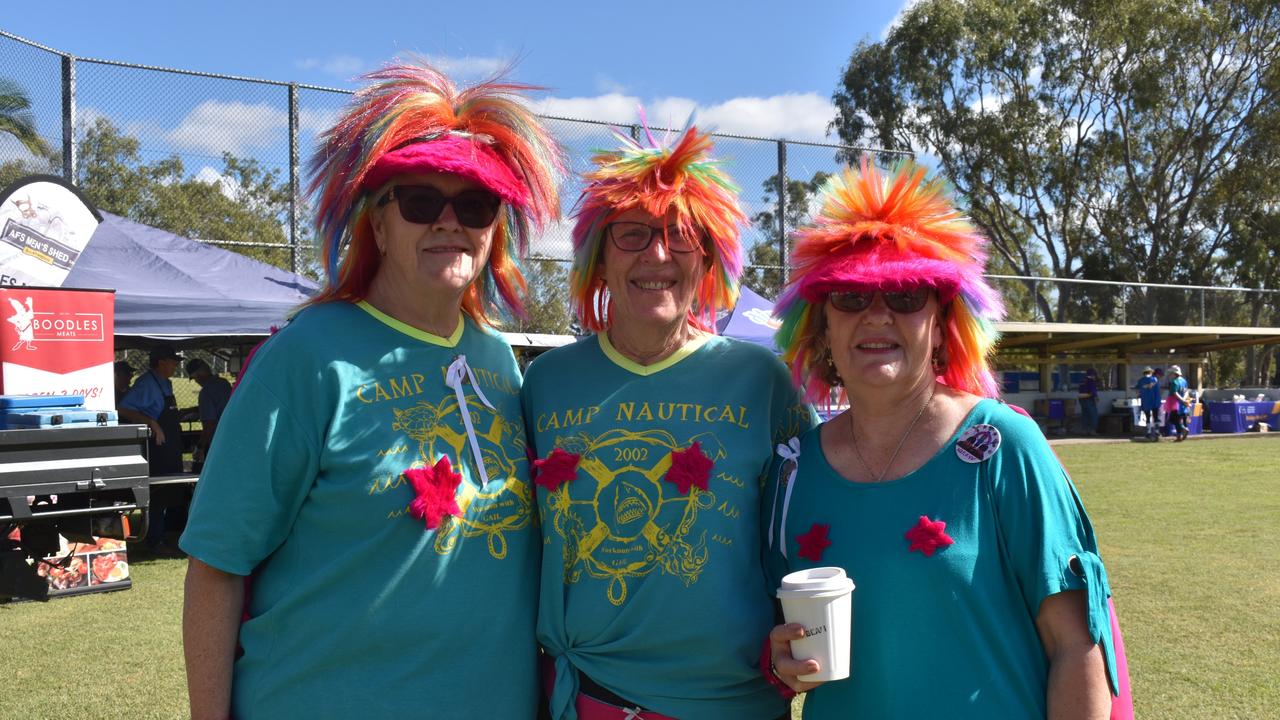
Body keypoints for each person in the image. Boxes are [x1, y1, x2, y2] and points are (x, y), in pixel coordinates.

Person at [178, 61, 563, 719]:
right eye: (419, 201)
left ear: (495, 227)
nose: (449, 222)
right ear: (377, 225)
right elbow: (218, 567)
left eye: (474, 205)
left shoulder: (498, 360)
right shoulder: (304, 358)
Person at [764, 161, 1121, 718]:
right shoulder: (793, 470)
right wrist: (782, 659)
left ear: (941, 321)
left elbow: (1076, 647)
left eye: (906, 294)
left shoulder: (1004, 445)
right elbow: (774, 631)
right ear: (821, 325)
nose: (877, 315)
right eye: (851, 297)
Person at [521, 121, 816, 720]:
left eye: (680, 235)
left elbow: (817, 515)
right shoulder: (545, 384)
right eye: (632, 235)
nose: (657, 254)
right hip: (590, 699)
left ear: (707, 258)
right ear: (598, 261)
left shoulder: (762, 381)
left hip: (734, 703)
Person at [118, 344, 185, 553]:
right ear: (161, 362)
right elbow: (123, 408)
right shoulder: (147, 383)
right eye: (172, 361)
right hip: (157, 449)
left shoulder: (165, 383)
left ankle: (167, 536)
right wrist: (152, 423)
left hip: (170, 445)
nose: (175, 365)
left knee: (171, 493)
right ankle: (155, 541)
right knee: (158, 495)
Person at [182, 358, 232, 467]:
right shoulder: (225, 383)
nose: (196, 381)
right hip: (233, 437)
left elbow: (210, 424)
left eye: (194, 378)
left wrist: (200, 447)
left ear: (198, 376)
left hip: (217, 443)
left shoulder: (206, 392)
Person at [1134, 366, 1161, 441]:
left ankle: (1148, 432)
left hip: (1146, 401)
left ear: (1144, 373)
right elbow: (1158, 390)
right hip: (1155, 400)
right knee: (1155, 416)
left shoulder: (1141, 380)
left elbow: (1137, 389)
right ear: (1151, 372)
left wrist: (1140, 394)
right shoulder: (1155, 379)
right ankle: (1157, 431)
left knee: (1147, 417)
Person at [1167, 365, 1191, 441]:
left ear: (1174, 373)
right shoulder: (1184, 380)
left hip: (1176, 404)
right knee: (1180, 420)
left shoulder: (1174, 382)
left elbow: (1175, 393)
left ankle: (1183, 430)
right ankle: (1180, 436)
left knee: (1173, 420)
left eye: (1171, 373)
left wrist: (1182, 400)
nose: (1170, 375)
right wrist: (1184, 399)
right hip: (1183, 404)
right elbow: (1187, 391)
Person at [1079, 368, 1100, 435]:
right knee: (1094, 415)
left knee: (1085, 415)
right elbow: (1093, 391)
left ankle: (1084, 430)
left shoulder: (1082, 381)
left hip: (1081, 399)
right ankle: (1092, 430)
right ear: (1093, 374)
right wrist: (1096, 397)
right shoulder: (1091, 381)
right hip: (1089, 399)